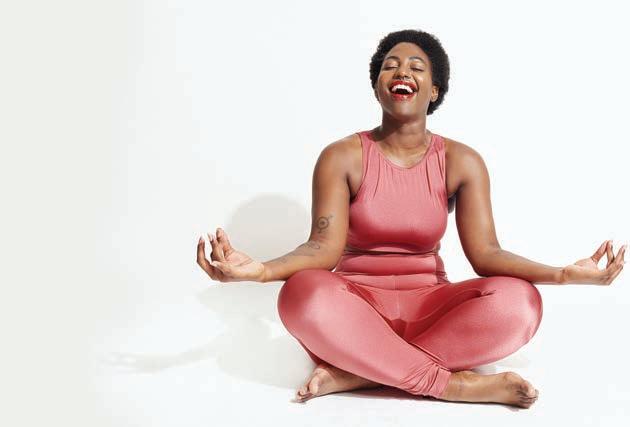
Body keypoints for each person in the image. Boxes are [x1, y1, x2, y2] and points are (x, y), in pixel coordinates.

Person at [196, 29, 626, 409]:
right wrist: (261, 271)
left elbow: (487, 254)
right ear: (378, 86)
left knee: (520, 303)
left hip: (431, 308)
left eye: (416, 67)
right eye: (390, 65)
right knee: (301, 293)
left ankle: (360, 373)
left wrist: (562, 275)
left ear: (434, 90)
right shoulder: (341, 156)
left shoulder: (462, 161)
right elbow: (321, 249)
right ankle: (450, 385)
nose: (402, 71)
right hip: (356, 310)